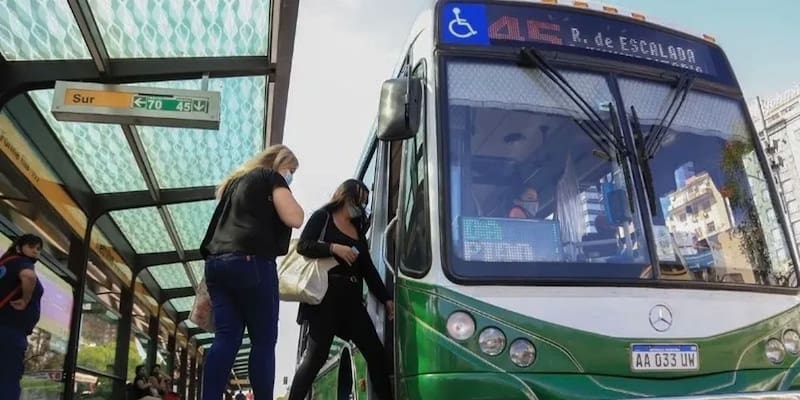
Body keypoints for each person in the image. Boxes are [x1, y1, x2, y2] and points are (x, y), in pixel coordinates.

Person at [200, 144, 304, 400]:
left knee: (226, 338)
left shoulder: (234, 184)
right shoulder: (270, 177)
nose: (291, 176)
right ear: (279, 163)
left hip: (216, 266)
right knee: (263, 341)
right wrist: (283, 187)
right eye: (291, 170)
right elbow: (295, 217)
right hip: (251, 263)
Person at [288, 179, 394, 400]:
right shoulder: (323, 217)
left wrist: (386, 299)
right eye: (359, 200)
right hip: (324, 297)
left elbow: (368, 269)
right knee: (315, 358)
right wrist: (333, 248)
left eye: (365, 203)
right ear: (346, 197)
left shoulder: (358, 230)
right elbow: (303, 246)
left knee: (376, 353)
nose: (362, 206)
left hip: (351, 300)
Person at [0, 234, 45, 399]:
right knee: (8, 380)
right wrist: (25, 300)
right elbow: (28, 276)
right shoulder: (22, 262)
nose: (35, 251)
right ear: (19, 248)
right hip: (10, 332)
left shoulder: (5, 264)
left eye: (38, 249)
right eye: (31, 247)